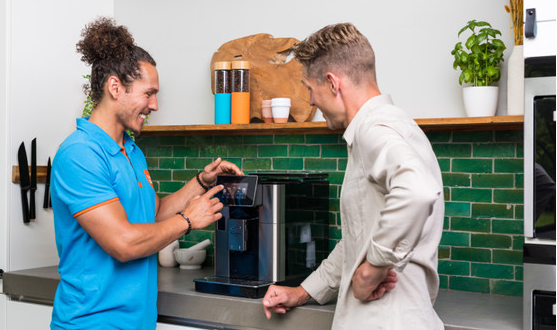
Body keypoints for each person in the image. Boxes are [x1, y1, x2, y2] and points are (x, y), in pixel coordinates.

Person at [50, 17, 243, 330]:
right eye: (148, 93)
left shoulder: (131, 149)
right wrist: (189, 221)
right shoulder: (80, 154)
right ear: (115, 87)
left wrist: (199, 183)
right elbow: (124, 243)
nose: (155, 105)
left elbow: (151, 216)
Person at [262, 23, 445, 329]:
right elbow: (357, 240)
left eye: (310, 88)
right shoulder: (386, 126)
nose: (310, 102)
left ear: (333, 83)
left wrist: (372, 269)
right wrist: (303, 292)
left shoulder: (375, 129)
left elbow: (417, 190)